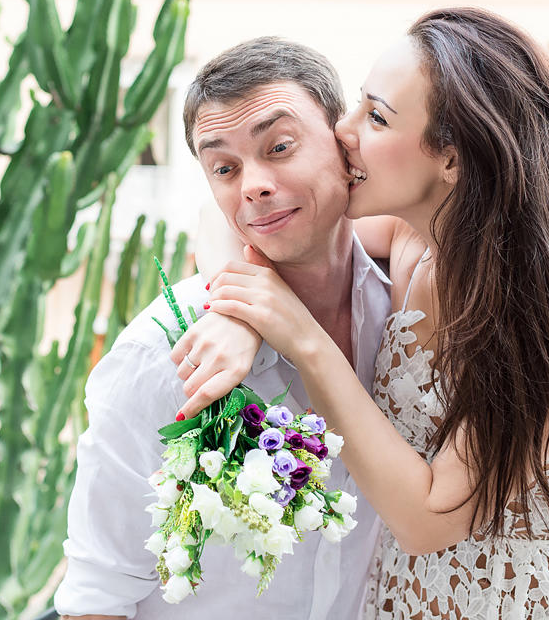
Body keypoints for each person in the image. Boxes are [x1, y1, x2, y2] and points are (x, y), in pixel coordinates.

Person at [174, 7, 549, 619]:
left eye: (376, 116)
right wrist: (234, 310)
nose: (343, 130)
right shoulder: (415, 237)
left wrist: (301, 337)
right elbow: (223, 214)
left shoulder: (545, 306)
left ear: (453, 158)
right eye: (358, 104)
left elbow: (428, 521)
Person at [53, 37, 393, 619]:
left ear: (344, 146)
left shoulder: (412, 317)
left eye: (280, 147)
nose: (252, 185)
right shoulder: (160, 356)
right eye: (224, 168)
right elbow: (96, 598)